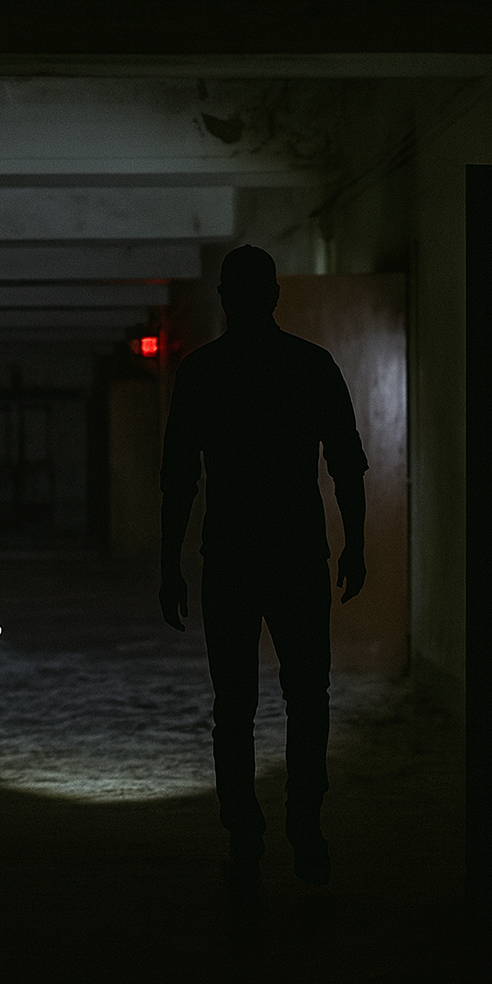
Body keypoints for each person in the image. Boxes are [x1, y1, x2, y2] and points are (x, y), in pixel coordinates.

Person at [158, 245, 367, 905]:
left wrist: (169, 563)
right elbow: (346, 461)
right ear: (275, 295)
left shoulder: (203, 372)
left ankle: (246, 841)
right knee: (307, 697)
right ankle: (305, 829)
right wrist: (355, 543)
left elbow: (179, 478)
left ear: (224, 299)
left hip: (231, 557)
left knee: (234, 707)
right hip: (297, 553)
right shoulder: (310, 365)